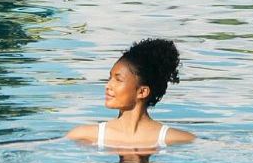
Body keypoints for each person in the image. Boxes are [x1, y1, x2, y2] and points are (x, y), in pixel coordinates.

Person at [68, 39, 196, 153]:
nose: (108, 85)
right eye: (110, 78)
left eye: (118, 80)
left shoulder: (176, 138)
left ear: (142, 92)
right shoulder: (82, 135)